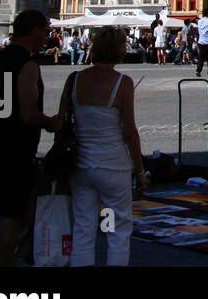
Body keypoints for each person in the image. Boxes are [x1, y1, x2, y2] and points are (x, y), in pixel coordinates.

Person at [0, 10, 63, 267]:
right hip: (15, 150)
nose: (46, 36)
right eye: (45, 31)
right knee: (12, 218)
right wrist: (51, 122)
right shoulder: (27, 65)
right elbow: (28, 114)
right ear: (33, 31)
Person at [57, 27, 147, 266]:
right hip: (113, 165)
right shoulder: (123, 83)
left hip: (81, 165)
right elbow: (129, 131)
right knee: (118, 230)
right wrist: (140, 170)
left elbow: (58, 122)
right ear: (119, 50)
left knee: (83, 228)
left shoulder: (74, 79)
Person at [194, 9, 208, 77]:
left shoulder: (199, 21)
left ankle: (198, 70)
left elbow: (199, 30)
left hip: (201, 41)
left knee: (201, 57)